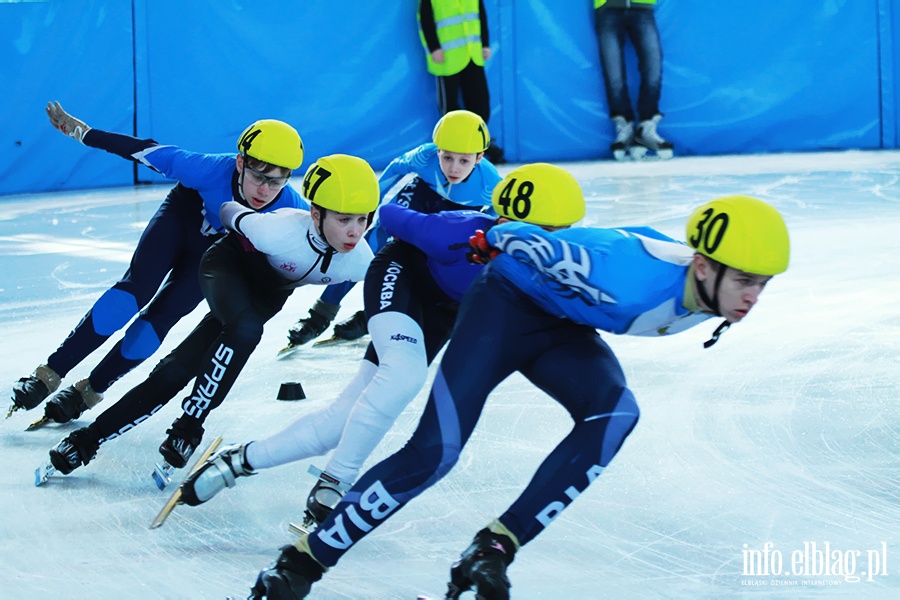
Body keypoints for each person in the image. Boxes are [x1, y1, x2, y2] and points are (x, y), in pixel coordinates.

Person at [247, 189, 790, 599]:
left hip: (559, 323)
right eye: (745, 280)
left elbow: (631, 235)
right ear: (703, 265)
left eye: (762, 284)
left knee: (616, 413)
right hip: (502, 308)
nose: (753, 297)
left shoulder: (695, 286)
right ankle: (302, 563)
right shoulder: (629, 277)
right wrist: (488, 238)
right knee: (435, 453)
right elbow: (536, 240)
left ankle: (495, 546)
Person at [175, 164, 585, 535]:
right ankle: (335, 482)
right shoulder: (458, 232)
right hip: (400, 275)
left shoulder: (555, 260)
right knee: (404, 375)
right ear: (505, 222)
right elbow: (389, 215)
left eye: (559, 234)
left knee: (342, 422)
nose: (548, 247)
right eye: (541, 234)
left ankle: (239, 461)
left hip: (443, 311)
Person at [44, 155, 380, 478]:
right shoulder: (278, 229)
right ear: (316, 212)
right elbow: (228, 209)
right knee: (246, 329)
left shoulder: (359, 260)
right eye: (343, 219)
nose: (354, 232)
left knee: (178, 369)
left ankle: (87, 441)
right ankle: (191, 423)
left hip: (265, 296)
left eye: (362, 219)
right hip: (226, 267)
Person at [9, 103, 307, 426]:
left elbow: (328, 239)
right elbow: (142, 151)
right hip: (179, 222)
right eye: (258, 176)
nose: (264, 190)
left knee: (155, 325)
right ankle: (50, 373)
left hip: (213, 255)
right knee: (129, 296)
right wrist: (82, 132)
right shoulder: (206, 169)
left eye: (276, 182)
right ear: (239, 163)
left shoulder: (290, 208)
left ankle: (88, 391)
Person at [286, 110, 501, 347]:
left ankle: (370, 314)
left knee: (423, 264)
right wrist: (370, 206)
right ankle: (320, 315)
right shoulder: (425, 156)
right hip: (421, 195)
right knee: (371, 245)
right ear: (437, 150)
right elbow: (395, 169)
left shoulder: (491, 184)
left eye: (464, 160)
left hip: (453, 216)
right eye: (447, 157)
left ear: (479, 157)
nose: (454, 169)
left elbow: (492, 222)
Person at [418, 0, 505, 164]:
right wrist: (434, 48)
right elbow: (426, 21)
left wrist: (485, 43)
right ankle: (453, 149)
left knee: (480, 103)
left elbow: (481, 16)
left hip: (472, 55)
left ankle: (479, 146)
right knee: (449, 107)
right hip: (448, 58)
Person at [594, 0, 674, 160]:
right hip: (608, 7)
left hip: (642, 7)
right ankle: (624, 126)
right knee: (613, 73)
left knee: (653, 67)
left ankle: (646, 127)